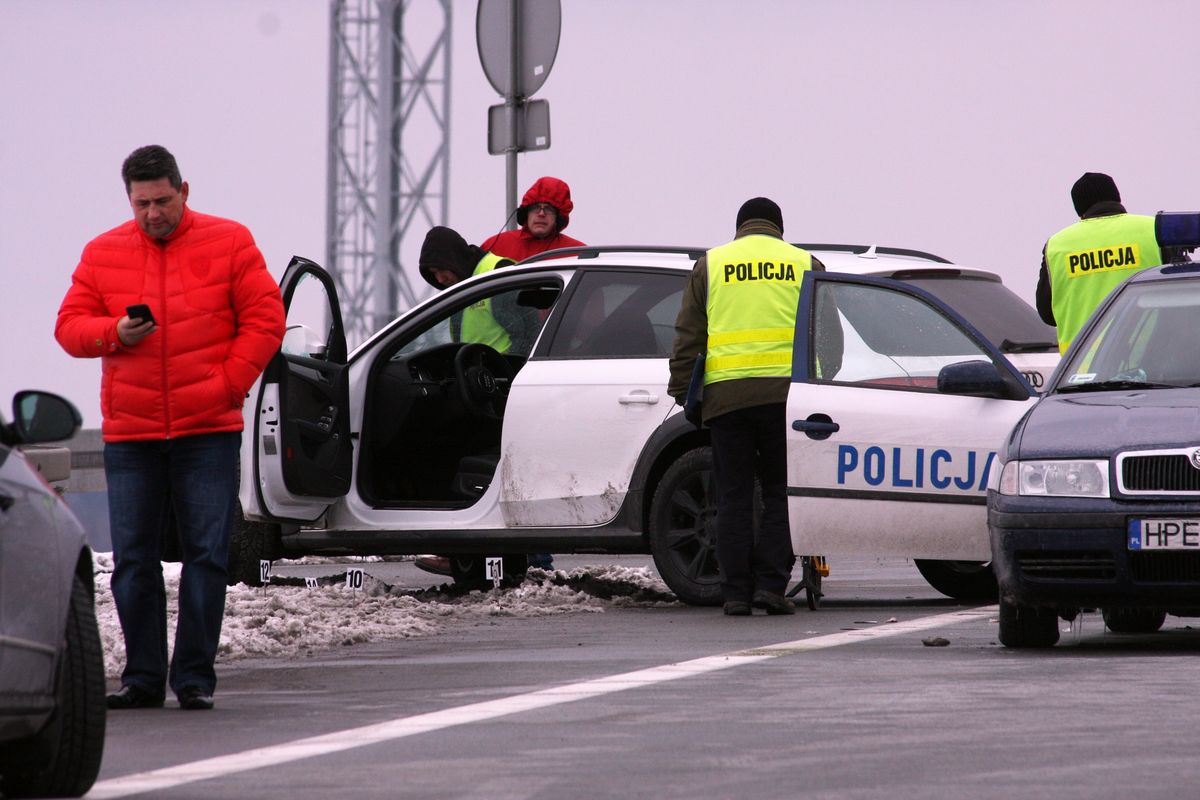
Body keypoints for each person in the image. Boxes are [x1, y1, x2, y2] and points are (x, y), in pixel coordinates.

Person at [55, 145, 285, 710]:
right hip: (132, 435)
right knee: (133, 559)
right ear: (128, 200)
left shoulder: (230, 241)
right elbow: (69, 327)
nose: (153, 213)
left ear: (185, 191)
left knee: (206, 555)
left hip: (207, 429)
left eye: (162, 200)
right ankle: (141, 678)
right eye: (142, 204)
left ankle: (195, 678)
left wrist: (228, 385)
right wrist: (115, 333)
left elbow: (266, 319)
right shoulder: (102, 252)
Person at [668, 197, 822, 616]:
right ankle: (771, 588)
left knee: (733, 496)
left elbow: (688, 335)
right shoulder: (804, 263)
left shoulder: (713, 264)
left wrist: (683, 390)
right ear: (779, 228)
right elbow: (827, 335)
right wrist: (823, 389)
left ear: (740, 228)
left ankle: (735, 593)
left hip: (727, 399)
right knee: (780, 494)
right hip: (787, 402)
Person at [412, 226, 539, 578]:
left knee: (496, 473)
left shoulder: (496, 276)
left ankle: (493, 554)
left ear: (452, 259)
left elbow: (526, 335)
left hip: (502, 390)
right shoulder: (462, 286)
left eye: (440, 270)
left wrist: (505, 376)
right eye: (432, 276)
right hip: (476, 392)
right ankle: (469, 554)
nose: (439, 279)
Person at [1036, 172, 1164, 353]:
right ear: (1117, 197)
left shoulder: (1057, 245)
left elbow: (1047, 314)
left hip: (1081, 369)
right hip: (1150, 359)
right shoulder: (1153, 230)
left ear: (1079, 209)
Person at [481, 176, 585, 261]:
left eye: (548, 209)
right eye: (535, 207)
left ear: (558, 217)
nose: (541, 214)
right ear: (526, 213)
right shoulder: (496, 246)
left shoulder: (577, 253)